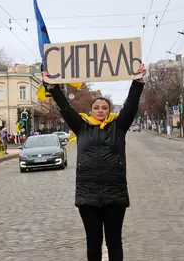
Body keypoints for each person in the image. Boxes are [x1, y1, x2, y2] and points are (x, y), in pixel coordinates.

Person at [43, 63, 147, 261]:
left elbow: (131, 106)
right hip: (87, 195)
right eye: (97, 108)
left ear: (109, 111)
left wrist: (138, 82)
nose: (100, 111)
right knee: (93, 241)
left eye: (104, 108)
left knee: (114, 241)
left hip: (114, 194)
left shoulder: (118, 127)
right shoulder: (81, 127)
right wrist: (53, 88)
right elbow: (66, 108)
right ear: (91, 110)